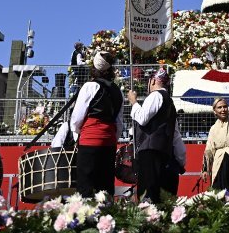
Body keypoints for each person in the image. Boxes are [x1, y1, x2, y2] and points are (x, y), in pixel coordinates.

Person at [70, 51, 123, 197]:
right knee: (105, 187)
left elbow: (76, 118)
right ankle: (106, 217)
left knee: (85, 186)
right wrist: (110, 137)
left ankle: (86, 218)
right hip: (109, 141)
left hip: (90, 140)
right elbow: (119, 123)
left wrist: (77, 135)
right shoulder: (118, 91)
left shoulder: (89, 87)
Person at [129, 68, 187, 202]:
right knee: (160, 198)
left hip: (149, 153)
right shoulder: (170, 104)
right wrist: (181, 159)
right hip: (164, 154)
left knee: (148, 197)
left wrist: (134, 102)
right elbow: (176, 135)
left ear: (153, 80)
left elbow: (142, 118)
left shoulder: (155, 96)